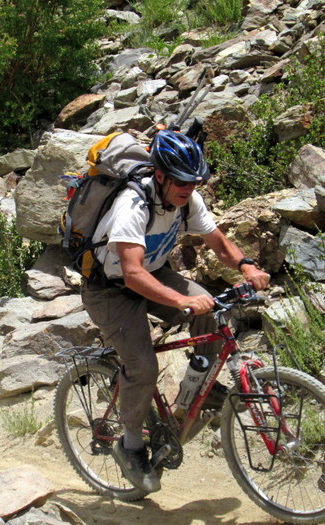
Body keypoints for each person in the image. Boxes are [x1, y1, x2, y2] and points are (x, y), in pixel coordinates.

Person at [80, 129, 270, 493]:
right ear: (161, 176)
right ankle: (130, 443)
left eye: (195, 181)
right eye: (181, 181)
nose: (189, 188)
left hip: (154, 274)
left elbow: (218, 243)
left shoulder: (187, 201)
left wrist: (246, 265)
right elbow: (132, 273)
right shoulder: (133, 205)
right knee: (143, 366)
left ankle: (199, 382)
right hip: (110, 290)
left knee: (212, 312)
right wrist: (180, 301)